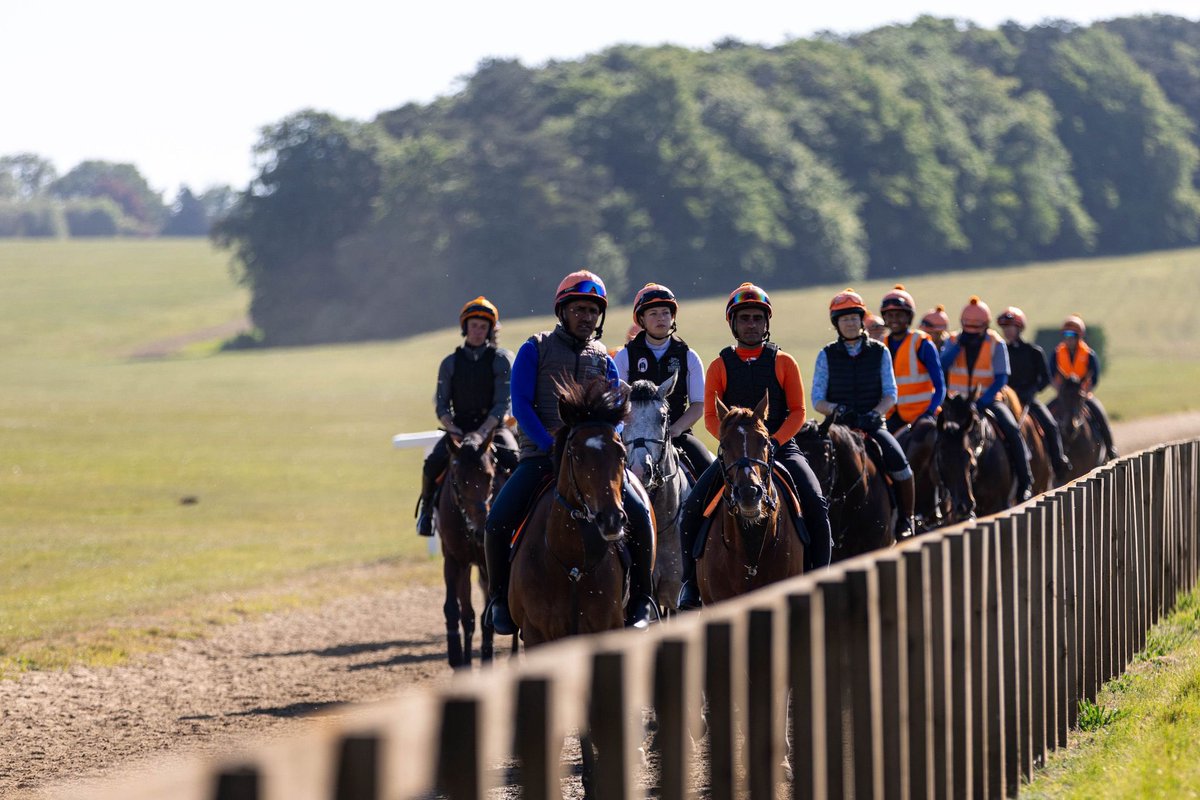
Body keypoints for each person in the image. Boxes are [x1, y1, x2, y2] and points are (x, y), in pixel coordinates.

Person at [483, 270, 657, 634]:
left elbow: (619, 418)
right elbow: (522, 405)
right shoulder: (536, 348)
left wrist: (611, 443)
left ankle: (642, 596)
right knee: (497, 520)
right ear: (563, 311)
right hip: (541, 459)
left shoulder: (605, 360)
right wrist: (553, 448)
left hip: (598, 462)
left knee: (640, 513)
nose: (586, 317)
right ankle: (499, 598)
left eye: (593, 311)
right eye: (579, 309)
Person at [675, 283, 833, 610]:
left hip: (779, 447)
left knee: (816, 502)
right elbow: (709, 417)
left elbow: (799, 412)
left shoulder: (784, 362)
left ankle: (821, 581)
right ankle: (690, 586)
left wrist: (772, 443)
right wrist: (736, 448)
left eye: (757, 318)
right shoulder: (719, 366)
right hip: (735, 455)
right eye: (744, 318)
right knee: (691, 509)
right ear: (733, 324)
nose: (751, 324)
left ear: (766, 323)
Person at [812, 289, 917, 539]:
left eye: (853, 318)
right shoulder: (825, 355)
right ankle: (813, 527)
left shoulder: (880, 352)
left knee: (901, 467)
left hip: (872, 425)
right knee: (814, 467)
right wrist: (838, 410)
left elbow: (891, 393)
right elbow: (817, 399)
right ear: (836, 324)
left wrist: (875, 413)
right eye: (843, 319)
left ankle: (906, 518)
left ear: (862, 320)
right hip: (839, 427)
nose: (849, 323)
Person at [415, 296, 518, 536]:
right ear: (465, 327)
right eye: (474, 326)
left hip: (493, 428)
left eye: (483, 327)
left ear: (490, 330)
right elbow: (441, 405)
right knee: (432, 465)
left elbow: (502, 404)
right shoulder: (449, 363)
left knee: (517, 462)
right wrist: (452, 429)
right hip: (458, 428)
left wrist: (483, 432)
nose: (478, 331)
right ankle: (427, 513)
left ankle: (524, 516)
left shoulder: (500, 360)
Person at [940, 296, 1035, 502]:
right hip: (957, 404)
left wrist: (984, 400)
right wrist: (958, 348)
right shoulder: (953, 341)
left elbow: (1002, 377)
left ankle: (1025, 481)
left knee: (1011, 429)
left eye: (976, 330)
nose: (972, 334)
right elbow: (942, 366)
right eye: (968, 329)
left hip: (988, 401)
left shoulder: (996, 343)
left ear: (985, 326)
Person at [614, 283, 714, 475]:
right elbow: (616, 401)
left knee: (708, 469)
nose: (660, 318)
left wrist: (675, 430)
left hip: (677, 432)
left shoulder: (689, 356)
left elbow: (698, 405)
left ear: (672, 317)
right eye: (653, 313)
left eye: (665, 312)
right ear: (641, 319)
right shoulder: (624, 356)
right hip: (633, 436)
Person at [997, 306, 1073, 480]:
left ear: (1019, 328)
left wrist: (1032, 391)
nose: (1007, 331)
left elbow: (1046, 378)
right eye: (1005, 328)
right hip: (1006, 401)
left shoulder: (1034, 352)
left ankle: (1058, 462)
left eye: (1011, 327)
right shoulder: (1000, 352)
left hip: (1029, 400)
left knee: (1051, 425)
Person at [879, 284, 945, 433]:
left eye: (899, 315)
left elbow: (940, 386)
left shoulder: (923, 344)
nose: (894, 319)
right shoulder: (880, 346)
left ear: (909, 316)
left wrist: (929, 412)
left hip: (923, 417)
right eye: (890, 315)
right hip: (892, 418)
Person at [1051, 314, 1117, 459]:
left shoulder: (1089, 354)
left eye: (1072, 335)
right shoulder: (1056, 353)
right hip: (1064, 395)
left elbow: (1094, 378)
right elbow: (1052, 374)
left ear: (1079, 336)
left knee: (1099, 413)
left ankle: (1111, 449)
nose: (1068, 338)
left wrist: (1086, 391)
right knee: (1047, 414)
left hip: (1083, 395)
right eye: (1066, 334)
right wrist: (1059, 390)